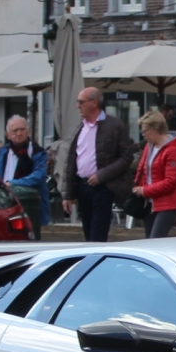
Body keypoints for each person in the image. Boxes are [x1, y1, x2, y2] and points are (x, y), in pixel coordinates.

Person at [62, 86, 135, 242]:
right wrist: (67, 194)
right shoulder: (80, 128)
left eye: (81, 102)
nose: (78, 105)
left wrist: (102, 175)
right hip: (83, 186)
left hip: (103, 186)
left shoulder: (114, 126)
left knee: (98, 233)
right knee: (88, 231)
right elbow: (71, 162)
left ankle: (97, 259)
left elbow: (126, 157)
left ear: (94, 102)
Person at [0, 115, 51, 237]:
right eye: (14, 130)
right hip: (6, 202)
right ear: (7, 134)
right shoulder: (3, 152)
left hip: (31, 204)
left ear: (28, 131)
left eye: (22, 129)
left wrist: (13, 183)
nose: (19, 133)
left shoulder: (37, 151)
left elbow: (39, 176)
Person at [131, 110, 176, 238]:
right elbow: (141, 171)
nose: (143, 135)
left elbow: (170, 182)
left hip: (168, 204)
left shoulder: (173, 151)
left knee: (156, 239)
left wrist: (145, 190)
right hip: (150, 202)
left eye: (145, 131)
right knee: (150, 242)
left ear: (155, 129)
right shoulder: (149, 147)